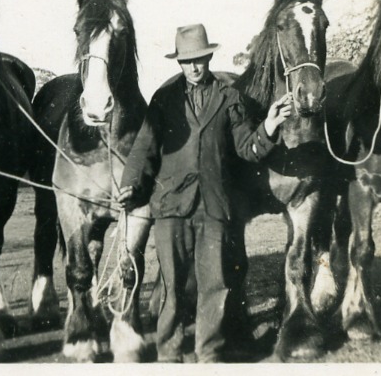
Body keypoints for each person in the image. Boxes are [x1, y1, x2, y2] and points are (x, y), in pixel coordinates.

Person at [116, 23, 293, 363]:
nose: (194, 67)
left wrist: (269, 125)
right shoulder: (164, 99)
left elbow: (247, 148)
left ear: (209, 57)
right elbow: (144, 150)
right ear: (179, 62)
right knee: (173, 288)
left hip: (213, 209)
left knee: (214, 286)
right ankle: (168, 354)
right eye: (186, 61)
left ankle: (208, 355)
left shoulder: (230, 99)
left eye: (199, 59)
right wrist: (132, 187)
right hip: (170, 207)